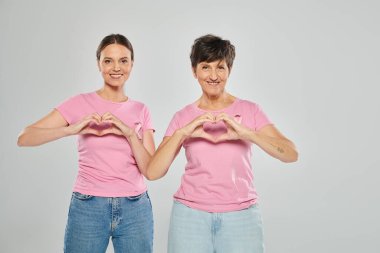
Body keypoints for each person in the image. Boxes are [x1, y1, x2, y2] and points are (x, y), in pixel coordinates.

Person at [146, 34, 298, 253]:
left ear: (229, 70)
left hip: (242, 217)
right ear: (194, 71)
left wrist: (248, 134)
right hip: (189, 217)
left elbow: (291, 154)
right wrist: (183, 132)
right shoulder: (183, 116)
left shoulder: (250, 110)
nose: (214, 76)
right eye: (206, 67)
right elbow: (153, 172)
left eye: (221, 67)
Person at [17, 34, 155, 253]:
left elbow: (150, 169)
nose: (116, 67)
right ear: (98, 63)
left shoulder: (141, 110)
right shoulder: (80, 103)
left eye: (123, 60)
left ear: (132, 64)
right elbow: (25, 137)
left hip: (135, 208)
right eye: (108, 60)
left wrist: (129, 133)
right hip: (88, 206)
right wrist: (70, 129)